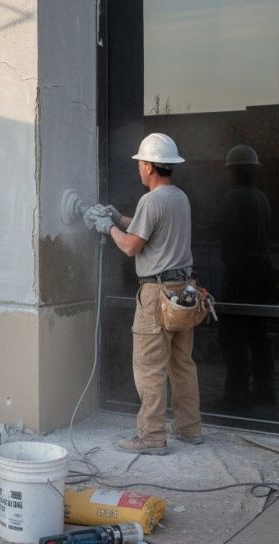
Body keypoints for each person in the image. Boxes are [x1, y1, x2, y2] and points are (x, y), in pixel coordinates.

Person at [93, 132, 202, 455]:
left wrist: (107, 227)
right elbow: (150, 229)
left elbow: (130, 246)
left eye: (141, 163)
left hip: (157, 295)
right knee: (182, 363)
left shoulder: (151, 200)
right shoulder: (178, 197)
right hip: (184, 292)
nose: (139, 169)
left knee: (150, 367)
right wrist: (118, 217)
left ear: (151, 167)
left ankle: (152, 437)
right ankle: (189, 428)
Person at [214, 145, 278, 409]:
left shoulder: (235, 198)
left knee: (232, 338)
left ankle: (236, 395)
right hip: (261, 275)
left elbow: (216, 229)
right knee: (258, 337)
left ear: (235, 172)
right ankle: (265, 392)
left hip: (240, 275)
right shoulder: (261, 198)